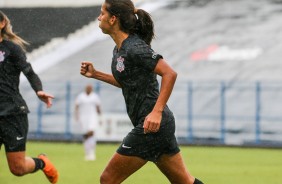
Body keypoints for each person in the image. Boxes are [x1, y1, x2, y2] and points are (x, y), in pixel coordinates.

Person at [80, 0, 204, 184]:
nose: (99, 17)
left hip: (152, 126)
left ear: (113, 19)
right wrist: (96, 74)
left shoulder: (135, 48)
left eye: (102, 13)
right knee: (184, 182)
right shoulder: (119, 50)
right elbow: (128, 83)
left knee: (107, 179)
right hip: (156, 126)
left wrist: (156, 111)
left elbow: (169, 73)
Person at [0, 11, 58, 183]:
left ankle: (42, 162)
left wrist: (38, 90)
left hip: (12, 114)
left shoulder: (12, 49)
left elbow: (29, 72)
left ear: (2, 23)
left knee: (17, 169)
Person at [75, 84, 102, 161]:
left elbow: (98, 107)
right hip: (83, 117)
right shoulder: (81, 96)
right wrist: (76, 115)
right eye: (88, 88)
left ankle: (92, 153)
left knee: (91, 132)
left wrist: (100, 118)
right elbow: (76, 106)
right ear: (85, 89)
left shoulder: (95, 96)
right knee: (87, 136)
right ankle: (87, 153)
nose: (89, 89)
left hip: (93, 116)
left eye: (90, 88)